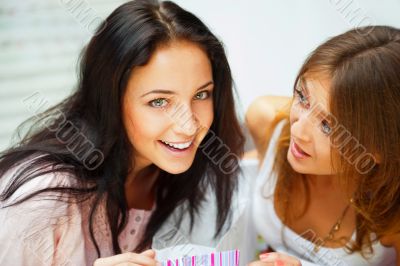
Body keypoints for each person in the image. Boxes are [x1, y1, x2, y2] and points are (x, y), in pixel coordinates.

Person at [0, 0, 245, 265]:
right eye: (159, 102)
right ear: (111, 101)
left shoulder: (178, 173)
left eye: (201, 94)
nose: (188, 126)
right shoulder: (42, 200)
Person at [246, 26, 400, 265]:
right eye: (302, 97)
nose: (297, 130)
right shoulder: (267, 121)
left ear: (377, 151)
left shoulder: (392, 205)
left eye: (328, 126)